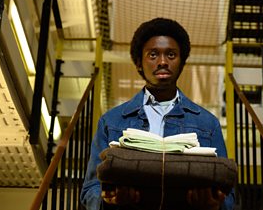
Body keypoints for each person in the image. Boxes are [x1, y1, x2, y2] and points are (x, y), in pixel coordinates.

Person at [80, 18, 235, 210]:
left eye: (171, 54)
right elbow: (90, 189)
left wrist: (214, 204)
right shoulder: (111, 121)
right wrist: (107, 201)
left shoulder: (208, 123)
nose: (162, 62)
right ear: (138, 63)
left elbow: (229, 196)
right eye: (153, 55)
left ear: (182, 62)